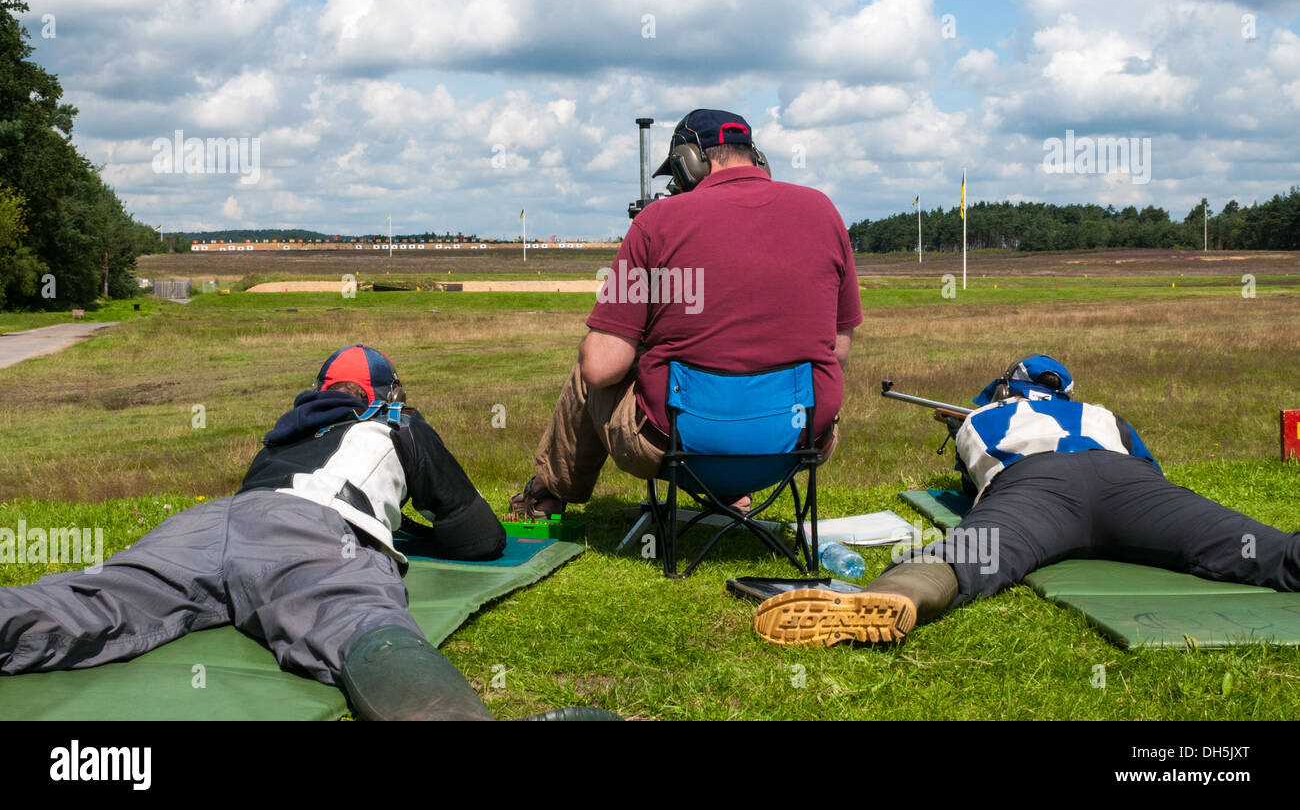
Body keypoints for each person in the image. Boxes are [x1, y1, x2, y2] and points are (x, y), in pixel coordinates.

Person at [0, 345, 603, 720]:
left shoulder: (283, 438)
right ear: (388, 396)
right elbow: (478, 540)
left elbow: (254, 538)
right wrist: (403, 533)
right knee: (360, 623)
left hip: (211, 522)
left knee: (92, 600)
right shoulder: (398, 424)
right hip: (314, 530)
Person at [753, 353, 1300, 646]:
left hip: (1036, 486)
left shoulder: (987, 418)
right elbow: (1151, 468)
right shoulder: (1102, 414)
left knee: (967, 555)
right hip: (1129, 483)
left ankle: (894, 598)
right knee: (1254, 545)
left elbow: (974, 487)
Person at [508, 109, 862, 520]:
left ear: (690, 161)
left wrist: (647, 341)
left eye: (676, 175)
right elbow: (837, 352)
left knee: (592, 359)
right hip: (799, 440)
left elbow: (602, 367)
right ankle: (732, 494)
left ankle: (548, 493)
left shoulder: (655, 221)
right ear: (757, 157)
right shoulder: (823, 211)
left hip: (681, 446)